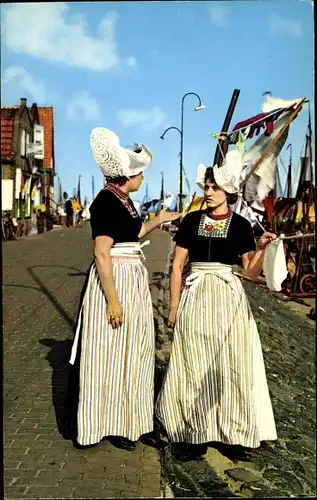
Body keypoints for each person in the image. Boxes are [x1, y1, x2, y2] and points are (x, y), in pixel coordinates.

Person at [155, 156, 277, 462]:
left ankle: (233, 434)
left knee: (231, 363)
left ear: (229, 192)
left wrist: (261, 248)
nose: (208, 191)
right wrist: (173, 306)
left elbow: (250, 272)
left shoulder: (241, 225)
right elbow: (177, 265)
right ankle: (192, 433)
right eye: (207, 186)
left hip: (228, 298)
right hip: (195, 296)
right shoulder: (192, 221)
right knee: (192, 361)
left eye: (215, 187)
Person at [68, 128, 180, 451]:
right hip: (115, 280)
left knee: (137, 350)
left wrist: (160, 219)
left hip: (132, 277)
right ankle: (110, 423)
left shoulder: (125, 202)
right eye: (139, 173)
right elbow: (102, 252)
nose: (143, 177)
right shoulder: (105, 202)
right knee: (111, 354)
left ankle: (134, 419)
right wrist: (113, 300)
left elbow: (134, 232)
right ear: (126, 176)